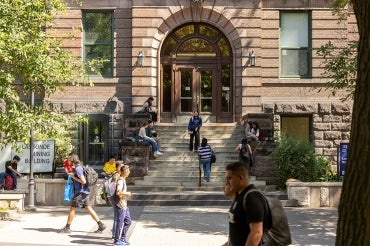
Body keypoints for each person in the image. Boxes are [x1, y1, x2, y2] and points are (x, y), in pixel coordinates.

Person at [58, 154, 106, 234]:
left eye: (69, 160)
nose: (68, 162)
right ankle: (101, 225)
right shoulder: (78, 167)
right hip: (84, 191)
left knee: (72, 208)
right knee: (88, 208)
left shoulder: (78, 169)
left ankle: (67, 227)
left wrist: (74, 177)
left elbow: (83, 181)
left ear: (72, 161)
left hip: (80, 192)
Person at [225, 162, 270, 246]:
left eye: (229, 178)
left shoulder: (252, 198)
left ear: (241, 178)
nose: (226, 182)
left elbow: (256, 233)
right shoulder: (239, 195)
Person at [113, 165, 132, 246]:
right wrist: (127, 193)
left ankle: (123, 237)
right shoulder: (121, 181)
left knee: (128, 221)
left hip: (124, 205)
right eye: (129, 170)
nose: (130, 172)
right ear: (126, 172)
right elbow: (118, 192)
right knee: (120, 223)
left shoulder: (123, 179)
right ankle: (117, 240)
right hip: (121, 205)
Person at [108, 161, 125, 239]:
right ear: (118, 167)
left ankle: (114, 232)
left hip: (113, 197)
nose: (123, 168)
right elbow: (115, 187)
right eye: (121, 167)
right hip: (115, 197)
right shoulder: (117, 175)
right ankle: (114, 233)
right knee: (116, 216)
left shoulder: (117, 174)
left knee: (117, 215)